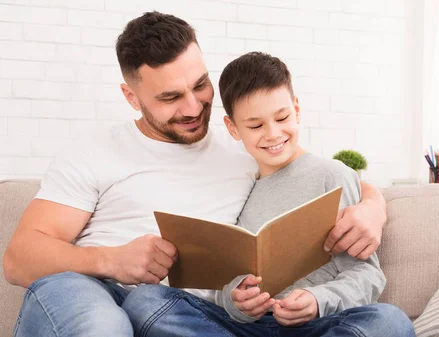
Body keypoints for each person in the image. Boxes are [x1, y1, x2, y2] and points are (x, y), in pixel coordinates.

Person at [3, 11, 389, 337]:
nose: (192, 107)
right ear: (131, 97)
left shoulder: (242, 146)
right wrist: (108, 260)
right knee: (104, 325)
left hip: (186, 315)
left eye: (200, 85)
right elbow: (18, 260)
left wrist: (373, 206)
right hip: (90, 289)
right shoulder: (93, 150)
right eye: (170, 97)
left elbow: (311, 172)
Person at [120, 51, 415, 337]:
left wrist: (317, 301)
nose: (273, 134)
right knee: (144, 302)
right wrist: (236, 302)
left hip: (320, 324)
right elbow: (222, 285)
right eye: (256, 125)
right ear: (233, 128)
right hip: (246, 327)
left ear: (296, 109)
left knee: (390, 322)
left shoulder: (333, 176)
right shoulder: (237, 185)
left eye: (282, 117)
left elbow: (366, 275)